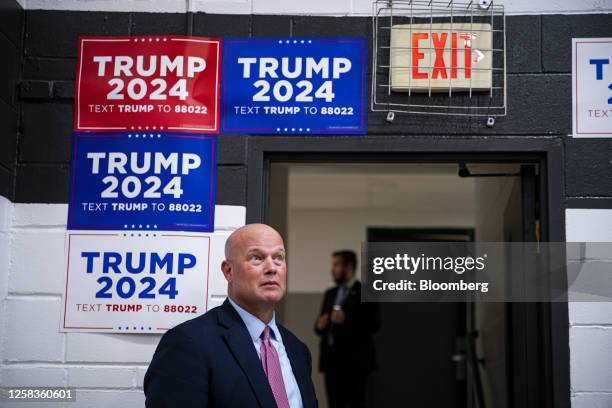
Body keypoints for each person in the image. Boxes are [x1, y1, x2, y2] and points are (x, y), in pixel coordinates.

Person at [144, 223, 318, 408]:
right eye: (257, 258)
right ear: (229, 271)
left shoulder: (298, 350)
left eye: (278, 258)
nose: (271, 268)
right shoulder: (189, 343)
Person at [314, 250, 380, 408]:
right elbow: (319, 326)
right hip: (331, 361)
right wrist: (319, 325)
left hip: (355, 362)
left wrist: (347, 320)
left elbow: (374, 324)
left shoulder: (366, 292)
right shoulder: (330, 293)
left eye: (336, 265)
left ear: (348, 267)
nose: (332, 270)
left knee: (356, 403)